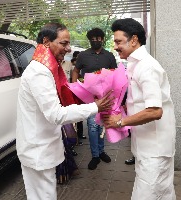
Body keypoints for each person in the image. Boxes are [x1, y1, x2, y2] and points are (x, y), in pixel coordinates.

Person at [16, 23, 114, 200]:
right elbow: (55, 114)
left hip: (42, 145)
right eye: (64, 43)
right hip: (38, 149)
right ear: (46, 41)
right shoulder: (40, 72)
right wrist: (95, 107)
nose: (68, 49)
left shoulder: (46, 67)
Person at [103, 18, 176, 199]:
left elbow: (154, 111)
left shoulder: (147, 67)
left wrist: (120, 122)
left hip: (154, 148)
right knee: (162, 193)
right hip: (147, 145)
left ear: (134, 40)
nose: (116, 46)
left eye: (119, 41)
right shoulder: (135, 65)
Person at [72, 28, 117, 170]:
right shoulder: (83, 55)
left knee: (102, 125)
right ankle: (95, 155)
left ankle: (102, 151)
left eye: (98, 38)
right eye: (93, 39)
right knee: (92, 126)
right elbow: (75, 71)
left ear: (102, 39)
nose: (96, 41)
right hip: (89, 97)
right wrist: (74, 88)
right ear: (89, 40)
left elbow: (115, 74)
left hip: (105, 97)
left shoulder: (109, 56)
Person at [71, 51, 86, 142]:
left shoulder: (81, 69)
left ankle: (79, 134)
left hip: (79, 93)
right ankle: (73, 136)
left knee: (79, 116)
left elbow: (81, 79)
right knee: (73, 116)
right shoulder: (69, 66)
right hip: (71, 92)